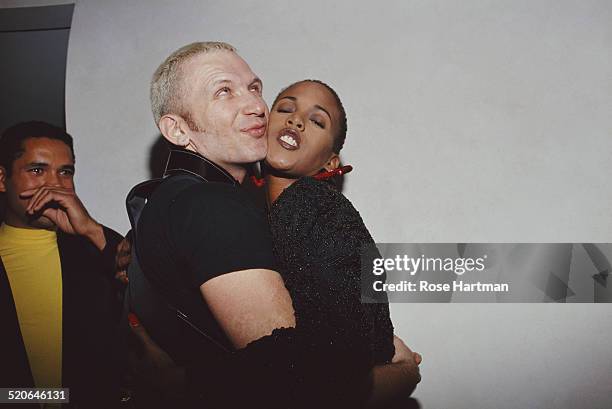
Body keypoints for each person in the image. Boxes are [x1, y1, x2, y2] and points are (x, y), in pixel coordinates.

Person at [127, 41, 420, 408]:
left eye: (254, 88)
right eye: (224, 91)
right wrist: (402, 373)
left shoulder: (166, 199)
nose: (254, 105)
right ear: (178, 129)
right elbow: (292, 384)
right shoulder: (211, 204)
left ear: (332, 160)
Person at [263, 79, 421, 407]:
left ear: (331, 163)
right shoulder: (277, 214)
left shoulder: (308, 203)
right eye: (285, 108)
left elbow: (336, 369)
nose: (296, 120)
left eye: (317, 121)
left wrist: (401, 372)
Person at [0, 121, 124, 408]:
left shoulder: (93, 246)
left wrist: (91, 230)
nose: (55, 185)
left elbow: (151, 287)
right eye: (37, 170)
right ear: (3, 179)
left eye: (65, 172)